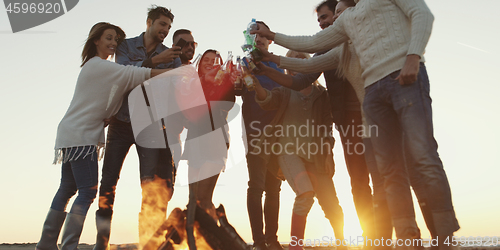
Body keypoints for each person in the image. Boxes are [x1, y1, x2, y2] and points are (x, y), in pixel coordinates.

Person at [252, 0, 460, 248]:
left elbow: (422, 13)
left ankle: (443, 237)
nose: (337, 18)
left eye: (340, 11)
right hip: (368, 110)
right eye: (334, 14)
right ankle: (404, 238)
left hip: (401, 84)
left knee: (420, 161)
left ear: (351, 9)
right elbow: (309, 57)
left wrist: (413, 56)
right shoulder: (343, 42)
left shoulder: (369, 15)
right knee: (386, 176)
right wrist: (271, 54)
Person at [35, 22, 171, 250]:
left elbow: (106, 96)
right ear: (95, 40)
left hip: (71, 133)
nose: (113, 43)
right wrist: (174, 73)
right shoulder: (100, 65)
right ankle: (68, 246)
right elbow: (135, 73)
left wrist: (108, 114)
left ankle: (46, 244)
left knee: (67, 188)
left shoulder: (96, 67)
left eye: (116, 40)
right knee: (88, 190)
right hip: (81, 136)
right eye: (108, 38)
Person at [254, 0, 376, 243]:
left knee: (379, 181)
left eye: (328, 16)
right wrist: (266, 69)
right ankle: (369, 239)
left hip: (372, 117)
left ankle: (380, 239)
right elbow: (301, 72)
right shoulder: (321, 55)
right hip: (343, 128)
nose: (324, 23)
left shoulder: (364, 39)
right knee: (357, 183)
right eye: (319, 19)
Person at [93, 6, 182, 250]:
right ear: (149, 22)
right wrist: (154, 64)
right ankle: (101, 244)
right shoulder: (125, 46)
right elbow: (124, 75)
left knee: (150, 187)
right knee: (108, 184)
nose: (165, 30)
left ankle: (148, 244)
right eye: (162, 24)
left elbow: (169, 86)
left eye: (168, 27)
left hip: (151, 125)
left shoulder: (171, 55)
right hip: (121, 124)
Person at [253, 50, 344, 250]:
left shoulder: (322, 95)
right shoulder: (284, 90)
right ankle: (296, 247)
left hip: (318, 156)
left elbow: (328, 127)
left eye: (300, 58)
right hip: (288, 152)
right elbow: (267, 100)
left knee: (333, 208)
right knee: (305, 193)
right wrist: (257, 86)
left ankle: (342, 244)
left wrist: (329, 154)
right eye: (291, 58)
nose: (295, 61)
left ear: (308, 65)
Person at [237, 21, 284, 250]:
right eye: (254, 37)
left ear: (269, 40)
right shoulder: (244, 64)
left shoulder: (279, 66)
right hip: (254, 132)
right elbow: (237, 89)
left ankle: (272, 239)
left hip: (276, 133)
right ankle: (258, 242)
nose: (259, 40)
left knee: (274, 187)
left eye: (263, 37)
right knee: (256, 186)